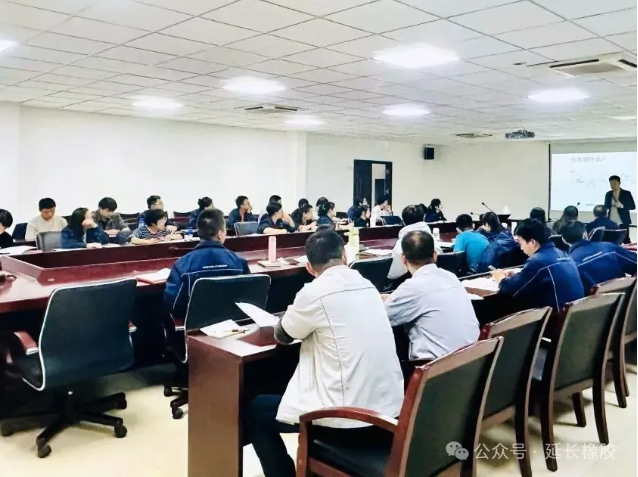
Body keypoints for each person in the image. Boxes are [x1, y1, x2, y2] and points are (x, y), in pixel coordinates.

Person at [244, 229, 404, 477]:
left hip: (348, 421)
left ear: (309, 267)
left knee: (255, 410)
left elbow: (283, 335)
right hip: (390, 414)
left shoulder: (313, 292)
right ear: (345, 256)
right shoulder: (368, 286)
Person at [383, 230, 479, 360]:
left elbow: (379, 318)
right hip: (473, 360)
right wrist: (393, 298)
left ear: (403, 259)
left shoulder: (411, 287)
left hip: (436, 367)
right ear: (435, 255)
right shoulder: (450, 277)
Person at [164, 209, 251, 317]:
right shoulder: (239, 262)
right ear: (220, 234)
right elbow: (249, 298)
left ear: (199, 232)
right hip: (233, 321)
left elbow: (172, 304)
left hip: (194, 323)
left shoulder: (181, 265)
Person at [492, 219, 584, 311]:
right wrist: (517, 276)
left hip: (556, 316)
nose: (521, 248)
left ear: (532, 242)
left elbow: (514, 289)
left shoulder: (537, 260)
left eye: (520, 243)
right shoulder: (563, 253)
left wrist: (501, 279)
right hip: (574, 312)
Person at [561, 220, 637, 292]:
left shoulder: (569, 266)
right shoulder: (609, 248)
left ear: (564, 240)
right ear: (585, 234)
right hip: (624, 297)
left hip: (594, 301)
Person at [388, 205, 441, 280]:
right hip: (435, 280)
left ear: (403, 222)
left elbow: (393, 274)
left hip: (407, 283)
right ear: (423, 218)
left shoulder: (401, 243)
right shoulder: (433, 239)